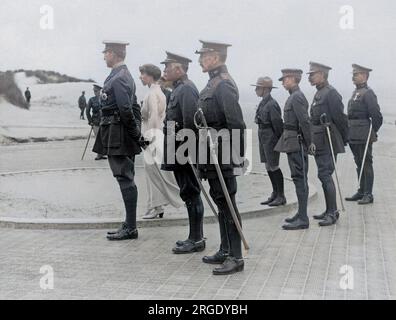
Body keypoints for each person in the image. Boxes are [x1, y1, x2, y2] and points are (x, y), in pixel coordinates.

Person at [195, 40, 246, 275]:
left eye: (204, 56)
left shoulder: (224, 85)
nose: (200, 60)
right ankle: (225, 249)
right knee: (220, 202)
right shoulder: (212, 83)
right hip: (211, 153)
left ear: (215, 58)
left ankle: (236, 256)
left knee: (228, 204)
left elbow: (236, 123)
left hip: (224, 154)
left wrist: (237, 157)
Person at [93, 40, 143, 241]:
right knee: (123, 177)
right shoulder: (117, 75)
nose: (104, 55)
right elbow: (134, 107)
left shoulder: (121, 76)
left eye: (106, 52)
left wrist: (135, 134)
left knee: (124, 178)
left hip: (119, 132)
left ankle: (131, 227)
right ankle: (129, 224)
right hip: (115, 131)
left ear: (114, 53)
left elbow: (126, 109)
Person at [161, 51, 206, 254]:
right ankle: (193, 236)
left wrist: (190, 155)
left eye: (167, 67)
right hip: (177, 148)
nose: (164, 71)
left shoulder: (187, 90)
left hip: (184, 151)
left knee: (191, 193)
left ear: (178, 69)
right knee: (187, 193)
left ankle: (196, 239)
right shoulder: (179, 89)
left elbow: (191, 125)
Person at [139, 63, 183, 219]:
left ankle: (157, 207)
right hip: (157, 136)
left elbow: (154, 118)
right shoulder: (159, 92)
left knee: (154, 173)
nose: (141, 77)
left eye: (143, 74)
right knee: (154, 172)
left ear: (150, 76)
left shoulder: (152, 93)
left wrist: (148, 139)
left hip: (152, 137)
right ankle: (155, 206)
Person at [307, 62, 349, 226]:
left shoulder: (331, 93)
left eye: (313, 74)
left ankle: (333, 212)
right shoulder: (319, 93)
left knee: (325, 174)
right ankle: (328, 209)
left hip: (329, 139)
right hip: (320, 140)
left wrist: (343, 139)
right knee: (323, 175)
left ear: (322, 75)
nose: (310, 77)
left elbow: (340, 118)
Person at [275, 69, 313, 230]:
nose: (283, 82)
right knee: (298, 178)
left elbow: (304, 122)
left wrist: (309, 142)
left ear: (293, 79)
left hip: (296, 143)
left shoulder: (297, 97)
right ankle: (301, 213)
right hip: (292, 142)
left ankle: (303, 218)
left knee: (300, 179)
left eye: (285, 79)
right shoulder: (293, 96)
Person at [345, 64, 383, 205]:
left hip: (364, 134)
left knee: (366, 163)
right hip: (354, 133)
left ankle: (368, 194)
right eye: (353, 74)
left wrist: (371, 132)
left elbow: (377, 117)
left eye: (357, 74)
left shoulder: (368, 93)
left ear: (365, 76)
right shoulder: (356, 92)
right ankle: (361, 191)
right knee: (358, 162)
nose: (354, 76)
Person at [251, 77, 285, 206]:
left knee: (273, 165)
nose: (256, 90)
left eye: (258, 87)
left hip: (270, 136)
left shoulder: (272, 104)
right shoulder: (263, 102)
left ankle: (281, 196)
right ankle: (275, 193)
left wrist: (277, 141)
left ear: (265, 89)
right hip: (263, 135)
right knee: (267, 165)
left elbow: (277, 124)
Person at [86, 84, 107, 160]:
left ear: (100, 91)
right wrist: (90, 121)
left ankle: (102, 154)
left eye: (96, 91)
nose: (95, 92)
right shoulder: (91, 100)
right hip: (95, 122)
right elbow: (87, 111)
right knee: (98, 138)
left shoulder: (104, 98)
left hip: (104, 122)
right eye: (94, 91)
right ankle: (99, 155)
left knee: (103, 138)